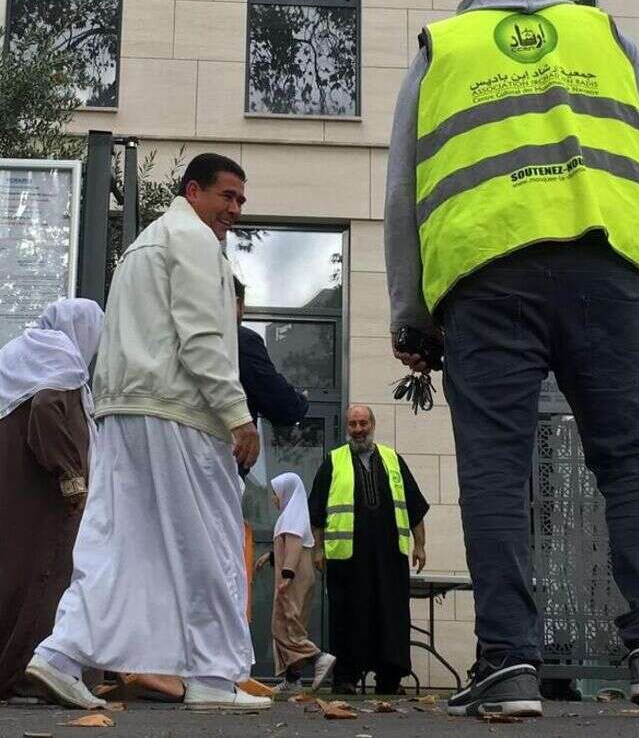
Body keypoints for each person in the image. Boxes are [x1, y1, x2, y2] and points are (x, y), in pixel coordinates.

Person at [383, 0, 639, 718]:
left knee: (495, 469)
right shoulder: (605, 33)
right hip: (605, 268)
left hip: (486, 279)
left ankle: (508, 665)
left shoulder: (443, 46)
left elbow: (403, 186)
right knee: (629, 457)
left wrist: (412, 316)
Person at [24, 153, 271, 712]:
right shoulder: (197, 242)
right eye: (226, 196)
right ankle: (211, 675)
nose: (234, 210)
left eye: (240, 201)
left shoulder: (143, 246)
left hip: (123, 413)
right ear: (193, 191)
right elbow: (203, 336)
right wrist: (237, 413)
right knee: (208, 543)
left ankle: (61, 653)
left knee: (118, 544)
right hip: (179, 413)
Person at [0, 298, 105, 701]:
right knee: (38, 577)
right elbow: (46, 409)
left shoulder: (9, 352)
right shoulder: (61, 355)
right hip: (35, 485)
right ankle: (10, 678)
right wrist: (70, 474)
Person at [308, 405, 429, 695]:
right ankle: (346, 677)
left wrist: (421, 545)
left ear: (373, 424)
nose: (358, 429)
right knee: (347, 616)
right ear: (346, 428)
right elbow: (317, 512)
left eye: (363, 423)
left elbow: (414, 507)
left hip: (390, 556)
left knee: (392, 614)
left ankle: (389, 679)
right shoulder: (333, 461)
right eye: (353, 424)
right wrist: (318, 549)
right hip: (347, 557)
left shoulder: (392, 459)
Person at [253, 473, 336, 691]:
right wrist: (270, 557)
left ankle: (318, 658)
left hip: (295, 578)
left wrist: (287, 576)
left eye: (275, 493)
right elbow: (286, 546)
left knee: (287, 627)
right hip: (296, 577)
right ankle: (292, 679)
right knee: (285, 624)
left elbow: (294, 546)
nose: (273, 498)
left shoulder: (292, 517)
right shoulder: (292, 516)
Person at [234, 276, 309, 428]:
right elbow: (280, 405)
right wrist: (299, 401)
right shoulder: (241, 340)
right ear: (238, 303)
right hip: (222, 444)